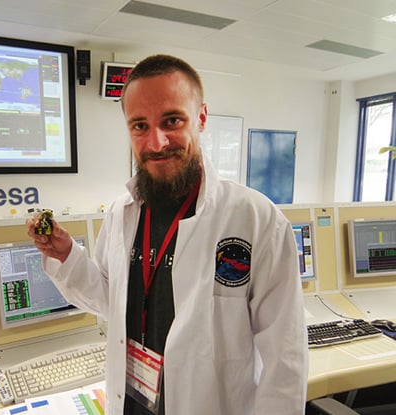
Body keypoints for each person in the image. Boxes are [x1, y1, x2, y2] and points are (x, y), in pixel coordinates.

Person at [26, 54, 308, 414]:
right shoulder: (121, 212)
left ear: (201, 118)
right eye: (139, 126)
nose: (156, 142)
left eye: (172, 120)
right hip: (132, 402)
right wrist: (66, 256)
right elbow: (111, 301)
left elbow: (286, 358)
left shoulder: (256, 219)